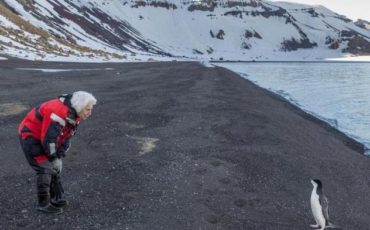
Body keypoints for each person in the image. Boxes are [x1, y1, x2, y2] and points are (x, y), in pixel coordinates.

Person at [18, 91, 97, 214]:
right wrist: (54, 158)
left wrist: (59, 155)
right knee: (45, 168)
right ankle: (43, 204)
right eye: (87, 109)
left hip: (43, 137)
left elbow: (66, 136)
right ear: (80, 107)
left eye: (91, 109)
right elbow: (49, 140)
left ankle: (54, 198)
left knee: (53, 168)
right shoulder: (58, 113)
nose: (90, 113)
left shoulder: (75, 114)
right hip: (30, 135)